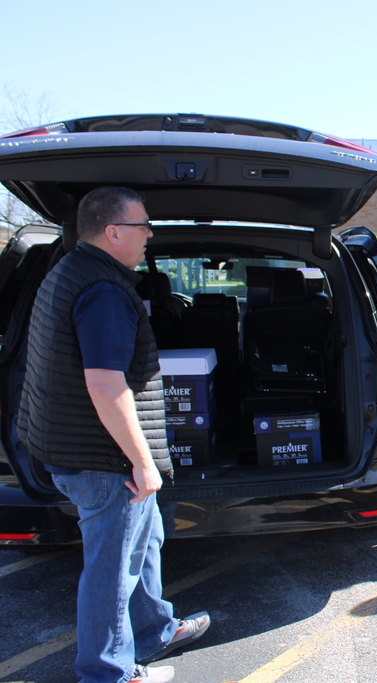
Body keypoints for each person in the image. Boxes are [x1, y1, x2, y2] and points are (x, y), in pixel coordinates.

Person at [20, 187, 210, 683]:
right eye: (142, 224)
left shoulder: (69, 270)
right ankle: (108, 673)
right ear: (113, 232)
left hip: (80, 447)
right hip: (104, 461)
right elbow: (105, 385)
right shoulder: (104, 292)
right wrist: (142, 463)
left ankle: (153, 632)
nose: (150, 234)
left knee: (144, 544)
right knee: (113, 572)